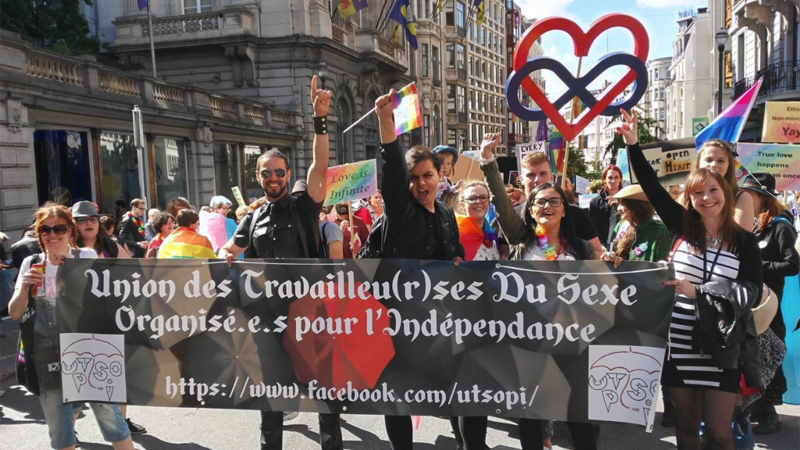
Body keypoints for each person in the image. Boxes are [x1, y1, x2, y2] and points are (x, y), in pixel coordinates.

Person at [620, 109, 763, 450]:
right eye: (697, 193)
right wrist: (633, 143)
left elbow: (752, 292)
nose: (705, 198)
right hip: (679, 342)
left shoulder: (743, 242)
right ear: (690, 197)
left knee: (719, 433)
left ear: (726, 193)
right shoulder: (681, 226)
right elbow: (652, 187)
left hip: (722, 346)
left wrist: (698, 292)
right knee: (684, 429)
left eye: (712, 190)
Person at [219, 76, 339, 450]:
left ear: (289, 175)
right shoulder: (252, 218)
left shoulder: (305, 207)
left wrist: (319, 118)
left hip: (310, 314)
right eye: (266, 172)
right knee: (270, 395)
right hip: (267, 318)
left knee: (323, 391)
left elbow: (320, 165)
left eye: (280, 172)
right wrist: (221, 261)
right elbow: (228, 251)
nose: (273, 177)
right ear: (258, 177)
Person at [373, 88, 464, 450]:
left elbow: (453, 253)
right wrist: (385, 122)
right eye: (414, 178)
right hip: (398, 320)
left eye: (427, 175)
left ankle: (463, 440)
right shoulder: (401, 210)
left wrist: (456, 262)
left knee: (454, 386)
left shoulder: (445, 214)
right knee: (397, 394)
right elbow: (392, 170)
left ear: (440, 176)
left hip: (438, 319)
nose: (420, 184)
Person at [8, 204, 135, 450]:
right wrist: (24, 286)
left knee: (111, 417)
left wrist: (74, 273)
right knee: (60, 427)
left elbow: (113, 294)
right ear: (39, 232)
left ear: (70, 231)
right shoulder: (31, 263)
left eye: (59, 228)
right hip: (46, 351)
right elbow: (15, 313)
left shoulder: (85, 257)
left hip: (90, 346)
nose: (52, 234)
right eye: (45, 229)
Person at [740, 173, 800, 434]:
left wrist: (758, 266)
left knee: (767, 359)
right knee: (753, 359)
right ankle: (754, 410)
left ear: (762, 199)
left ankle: (769, 414)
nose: (742, 200)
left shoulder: (780, 226)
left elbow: (792, 264)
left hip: (769, 306)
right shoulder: (752, 226)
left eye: (748, 195)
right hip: (750, 302)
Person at [490, 149, 602, 257]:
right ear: (520, 179)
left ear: (551, 177)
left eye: (543, 174)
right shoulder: (514, 215)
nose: (537, 180)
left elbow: (597, 254)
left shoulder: (576, 214)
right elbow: (504, 255)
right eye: (531, 175)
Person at [691, 139, 754, 229]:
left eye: (720, 161)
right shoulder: (685, 196)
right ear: (698, 164)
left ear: (728, 167)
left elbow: (742, 238)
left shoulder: (741, 198)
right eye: (708, 160)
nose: (714, 165)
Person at [604, 185, 670, 263]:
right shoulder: (621, 226)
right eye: (619, 203)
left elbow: (663, 268)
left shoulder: (660, 231)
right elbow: (611, 254)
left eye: (622, 203)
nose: (618, 208)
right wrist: (610, 257)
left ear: (636, 206)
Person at [457, 180, 500, 261]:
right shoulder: (455, 235)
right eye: (472, 198)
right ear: (462, 204)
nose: (478, 202)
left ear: (489, 202)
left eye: (483, 197)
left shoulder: (492, 236)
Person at [589, 164, 624, 250]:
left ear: (620, 180)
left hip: (623, 245)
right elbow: (594, 228)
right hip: (603, 246)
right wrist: (600, 245)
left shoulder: (627, 201)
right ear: (604, 180)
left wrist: (619, 204)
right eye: (610, 177)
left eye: (616, 177)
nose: (613, 181)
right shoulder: (595, 203)